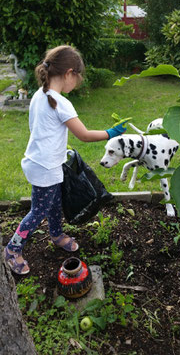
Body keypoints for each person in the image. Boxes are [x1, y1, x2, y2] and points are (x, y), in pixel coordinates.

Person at [4, 45, 127, 275]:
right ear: (69, 73)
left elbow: (37, 129)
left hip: (41, 162)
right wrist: (112, 133)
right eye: (77, 79)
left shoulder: (39, 96)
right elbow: (84, 135)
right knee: (38, 211)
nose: (76, 84)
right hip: (45, 168)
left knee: (54, 201)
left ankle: (56, 233)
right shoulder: (60, 102)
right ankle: (12, 249)